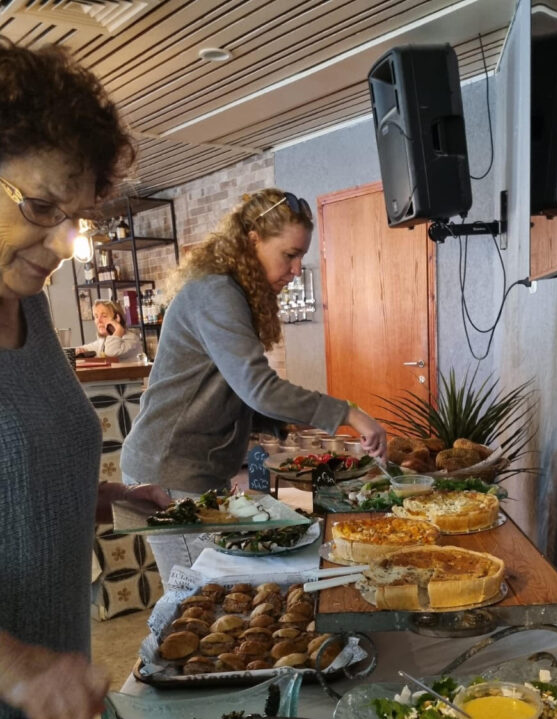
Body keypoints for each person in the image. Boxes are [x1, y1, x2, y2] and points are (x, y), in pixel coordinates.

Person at [0, 38, 168, 719]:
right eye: (40, 207)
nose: (63, 243)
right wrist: (20, 666)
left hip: (48, 706)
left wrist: (101, 497)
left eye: (74, 217)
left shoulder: (27, 312)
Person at [121, 188, 388, 583]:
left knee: (217, 592)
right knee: (199, 594)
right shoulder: (216, 293)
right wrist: (349, 413)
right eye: (290, 255)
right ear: (252, 241)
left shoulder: (230, 293)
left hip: (193, 468)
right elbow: (258, 388)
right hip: (168, 471)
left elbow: (238, 392)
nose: (297, 269)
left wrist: (285, 433)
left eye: (301, 257)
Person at [75, 298, 143, 360]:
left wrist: (118, 330)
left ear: (117, 318)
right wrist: (80, 350)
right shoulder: (103, 341)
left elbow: (111, 353)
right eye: (96, 317)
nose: (99, 321)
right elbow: (82, 349)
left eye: (104, 316)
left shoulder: (131, 339)